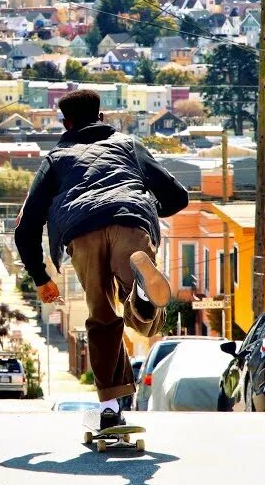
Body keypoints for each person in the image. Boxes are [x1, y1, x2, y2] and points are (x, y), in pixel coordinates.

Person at [14, 90, 188, 431]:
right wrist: (151, 207)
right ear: (102, 116)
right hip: (131, 221)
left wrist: (40, 277)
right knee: (143, 318)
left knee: (103, 318)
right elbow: (177, 196)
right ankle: (138, 294)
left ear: (66, 123)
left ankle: (109, 408)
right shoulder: (128, 145)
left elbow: (26, 228)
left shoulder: (55, 159)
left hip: (81, 232)